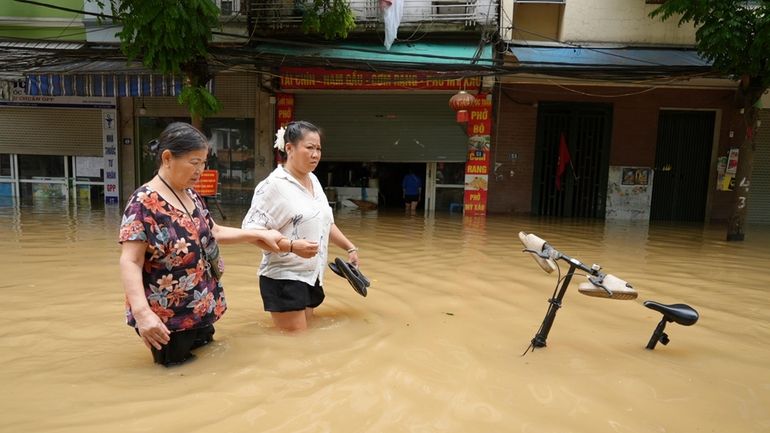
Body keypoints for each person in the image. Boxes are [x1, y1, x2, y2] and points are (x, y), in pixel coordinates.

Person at [119, 122, 283, 366]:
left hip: (201, 307)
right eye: (194, 162)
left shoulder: (190, 194)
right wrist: (143, 315)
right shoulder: (142, 203)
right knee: (175, 376)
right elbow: (130, 260)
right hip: (168, 319)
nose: (200, 170)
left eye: (204, 163)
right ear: (167, 158)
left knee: (207, 366)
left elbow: (213, 232)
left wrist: (257, 235)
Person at [242, 120, 360, 332]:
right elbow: (251, 232)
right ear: (289, 148)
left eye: (319, 149)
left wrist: (349, 247)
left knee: (304, 343)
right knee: (295, 346)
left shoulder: (313, 180)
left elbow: (326, 222)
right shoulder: (272, 186)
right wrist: (291, 246)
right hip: (284, 278)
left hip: (311, 275)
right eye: (309, 148)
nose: (315, 154)